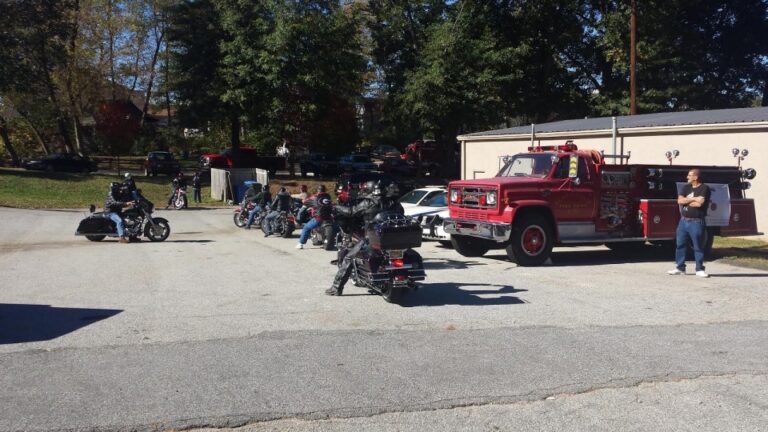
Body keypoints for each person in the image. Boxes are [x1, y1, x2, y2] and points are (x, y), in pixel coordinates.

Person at [326, 180, 405, 296]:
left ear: (369, 190)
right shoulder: (394, 202)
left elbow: (351, 211)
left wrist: (336, 207)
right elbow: (401, 214)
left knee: (349, 258)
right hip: (394, 237)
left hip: (373, 237)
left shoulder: (369, 202)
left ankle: (336, 288)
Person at [668, 168, 711, 278]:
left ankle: (699, 269)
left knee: (698, 246)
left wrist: (687, 200)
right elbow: (679, 201)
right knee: (680, 244)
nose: (687, 177)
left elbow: (700, 203)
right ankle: (680, 267)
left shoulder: (704, 188)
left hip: (696, 222)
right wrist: (694, 199)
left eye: (689, 175)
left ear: (696, 177)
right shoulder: (686, 187)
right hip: (683, 221)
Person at [295, 185, 333, 249]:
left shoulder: (315, 196)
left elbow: (305, 201)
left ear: (318, 190)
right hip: (329, 217)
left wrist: (303, 201)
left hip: (319, 218)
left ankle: (301, 244)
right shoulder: (328, 196)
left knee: (306, 227)